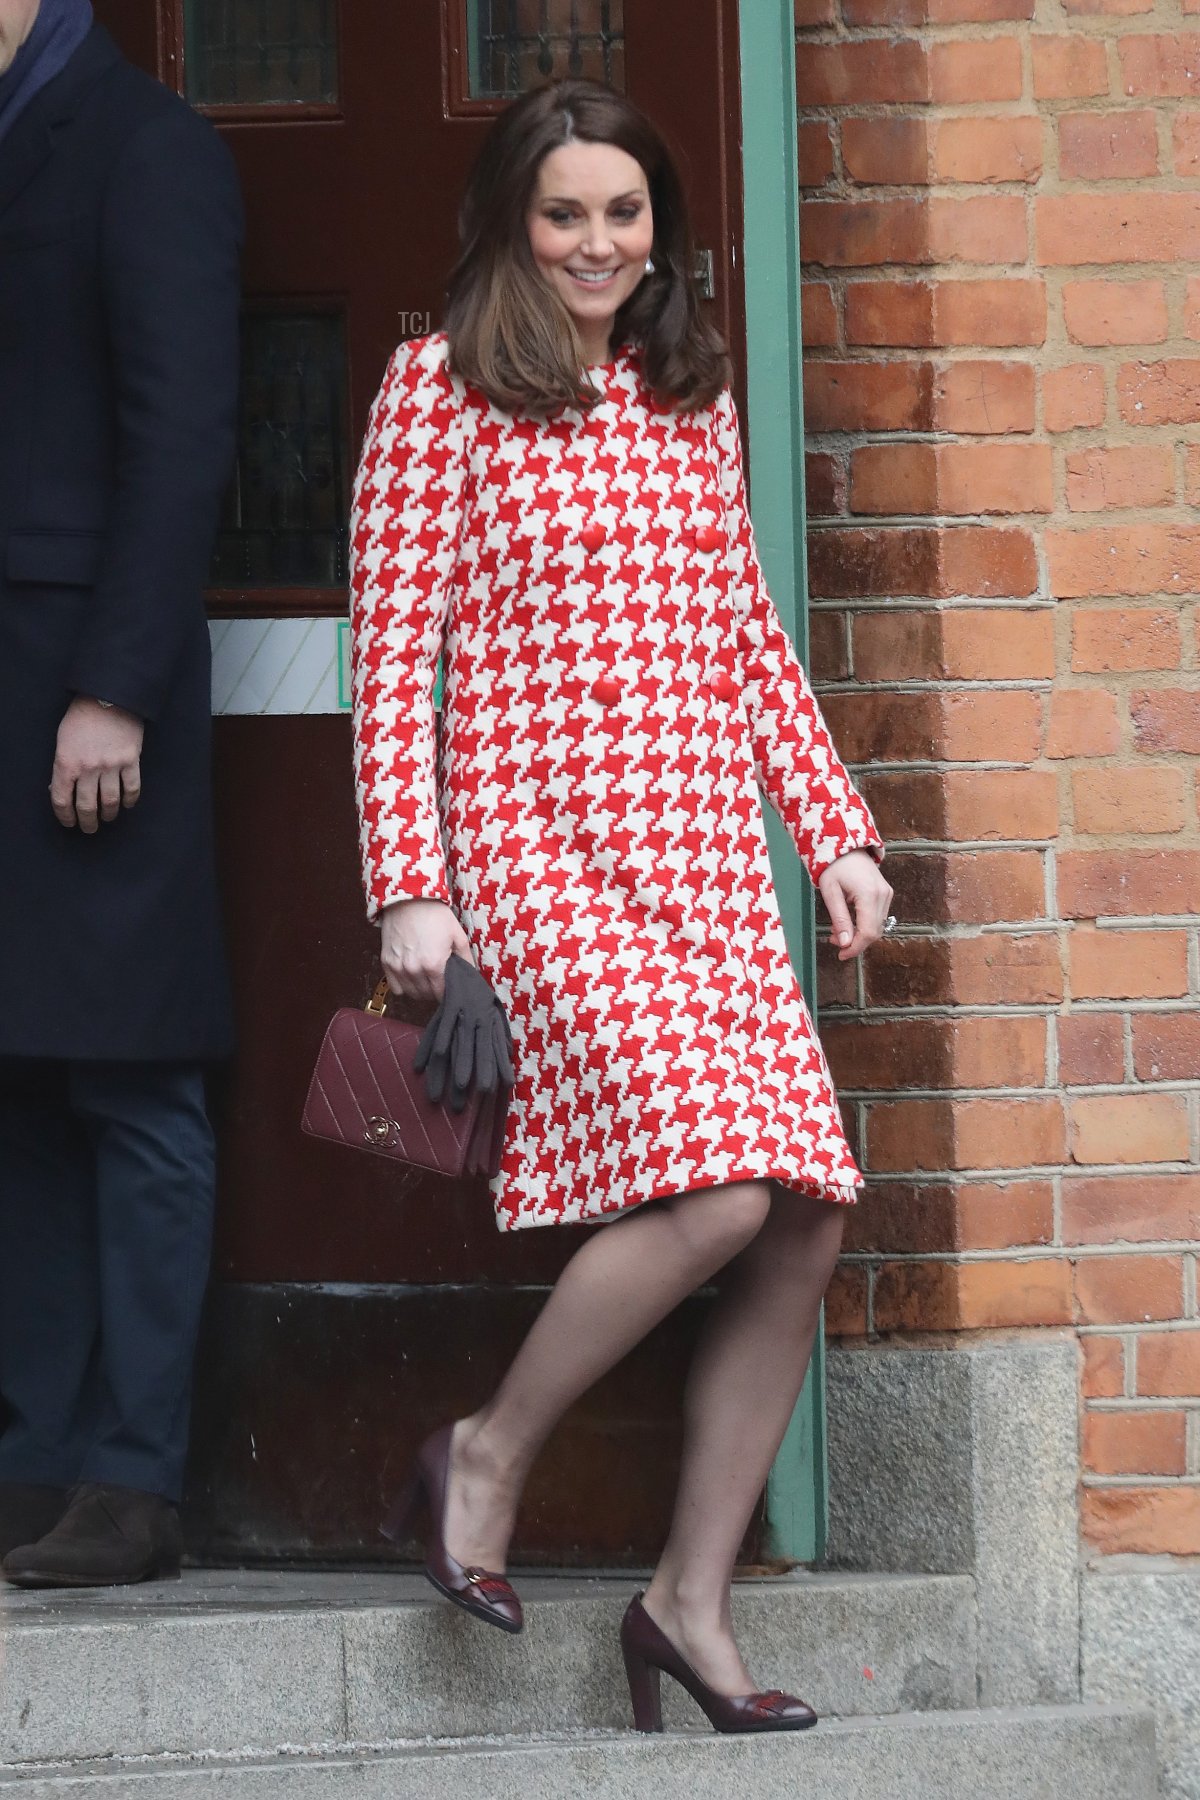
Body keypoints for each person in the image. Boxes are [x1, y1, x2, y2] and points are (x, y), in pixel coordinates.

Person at [349, 79, 892, 1731]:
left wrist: (833, 832)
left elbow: (743, 635)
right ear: (513, 222)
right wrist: (411, 889)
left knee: (806, 1211)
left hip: (707, 862)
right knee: (720, 1191)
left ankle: (686, 1608)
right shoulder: (438, 387)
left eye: (625, 212)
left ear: (661, 224)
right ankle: (483, 1459)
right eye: (566, 213)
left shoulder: (686, 391)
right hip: (542, 858)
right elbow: (392, 658)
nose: (598, 243)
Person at [0, 0, 242, 1587]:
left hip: (89, 690)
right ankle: (33, 1458)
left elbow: (180, 438)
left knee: (133, 1077)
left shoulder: (150, 148)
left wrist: (117, 687)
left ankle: (134, 1477)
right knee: (16, 1078)